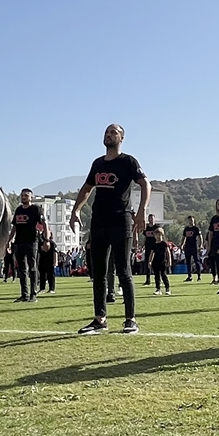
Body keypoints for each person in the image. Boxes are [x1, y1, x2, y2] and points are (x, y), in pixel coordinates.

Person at [69, 124, 150, 335]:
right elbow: (87, 189)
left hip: (121, 220)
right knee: (99, 273)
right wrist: (76, 210)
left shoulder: (128, 162)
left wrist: (142, 210)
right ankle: (99, 319)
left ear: (121, 138)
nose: (108, 134)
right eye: (106, 131)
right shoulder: (97, 164)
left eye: (113, 132)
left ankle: (131, 320)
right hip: (98, 222)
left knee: (124, 270)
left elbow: (145, 184)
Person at [10, 189, 48, 302]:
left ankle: (33, 294)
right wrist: (9, 240)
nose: (24, 197)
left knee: (32, 268)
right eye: (22, 195)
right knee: (21, 269)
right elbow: (14, 227)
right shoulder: (18, 210)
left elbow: (44, 224)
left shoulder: (36, 209)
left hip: (32, 241)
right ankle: (24, 295)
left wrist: (46, 240)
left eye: (26, 195)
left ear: (31, 197)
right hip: (18, 242)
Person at [149, 226, 171, 295]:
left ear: (162, 235)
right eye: (156, 235)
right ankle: (158, 289)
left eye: (159, 234)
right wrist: (150, 261)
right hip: (156, 262)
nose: (158, 236)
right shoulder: (154, 244)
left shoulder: (164, 244)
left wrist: (169, 261)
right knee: (156, 276)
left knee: (164, 275)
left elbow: (168, 253)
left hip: (163, 262)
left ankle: (167, 289)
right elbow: (152, 253)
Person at [141, 213, 160, 287]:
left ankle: (158, 279)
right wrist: (142, 246)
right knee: (147, 263)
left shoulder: (157, 228)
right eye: (149, 218)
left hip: (156, 248)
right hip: (148, 248)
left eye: (152, 218)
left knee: (157, 264)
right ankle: (148, 280)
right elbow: (145, 238)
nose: (151, 220)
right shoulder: (146, 228)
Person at [181, 216, 202, 281]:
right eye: (189, 220)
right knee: (188, 262)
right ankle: (189, 276)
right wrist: (182, 245)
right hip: (187, 247)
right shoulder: (186, 229)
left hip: (194, 246)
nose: (191, 221)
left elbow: (200, 237)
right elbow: (184, 237)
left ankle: (199, 276)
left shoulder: (196, 228)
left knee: (196, 261)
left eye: (192, 220)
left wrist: (200, 245)